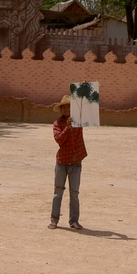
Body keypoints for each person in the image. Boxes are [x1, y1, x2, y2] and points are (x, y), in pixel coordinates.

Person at [48, 95, 88, 230]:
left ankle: (74, 221)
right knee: (58, 192)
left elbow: (88, 107)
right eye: (64, 107)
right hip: (62, 162)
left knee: (74, 193)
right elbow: (59, 140)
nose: (66, 109)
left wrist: (85, 90)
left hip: (75, 161)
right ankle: (54, 220)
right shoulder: (57, 124)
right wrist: (67, 128)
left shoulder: (80, 121)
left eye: (69, 107)